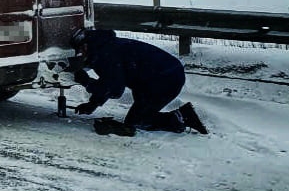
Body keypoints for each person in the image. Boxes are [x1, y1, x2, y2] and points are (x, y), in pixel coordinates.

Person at [71, 28, 208, 136]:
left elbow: (115, 90)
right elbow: (110, 81)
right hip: (156, 77)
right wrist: (93, 104)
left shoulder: (105, 55)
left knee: (137, 121)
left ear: (86, 46)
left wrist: (87, 82)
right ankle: (180, 116)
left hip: (165, 79)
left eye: (79, 51)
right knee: (136, 118)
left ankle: (181, 117)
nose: (80, 55)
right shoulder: (104, 47)